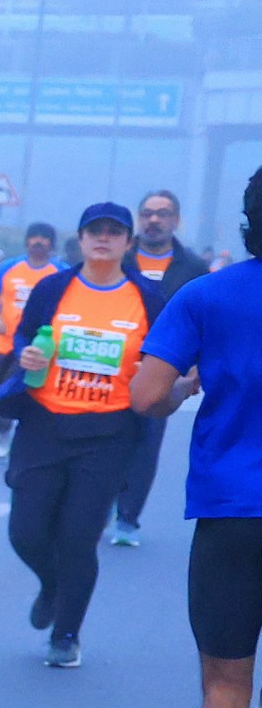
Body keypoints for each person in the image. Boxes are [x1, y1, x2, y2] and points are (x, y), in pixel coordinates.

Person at [132, 167, 262, 708]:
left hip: (232, 514)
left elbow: (147, 396)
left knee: (224, 684)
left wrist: (188, 384)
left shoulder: (206, 296)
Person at [0, 202, 165, 667]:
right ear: (81, 240)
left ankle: (66, 634)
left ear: (128, 243)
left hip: (109, 433)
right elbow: (25, 337)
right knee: (26, 532)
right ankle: (52, 585)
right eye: (94, 231)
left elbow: (163, 355)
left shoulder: (145, 297)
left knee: (78, 536)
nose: (103, 239)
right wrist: (26, 355)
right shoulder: (54, 288)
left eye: (114, 232)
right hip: (45, 423)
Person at [112, 188, 208, 544]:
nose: (154, 220)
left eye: (163, 214)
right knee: (102, 440)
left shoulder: (193, 268)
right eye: (148, 213)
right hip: (109, 367)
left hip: (163, 370)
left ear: (176, 221)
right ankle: (97, 503)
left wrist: (196, 366)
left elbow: (204, 319)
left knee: (146, 444)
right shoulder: (118, 261)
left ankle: (127, 518)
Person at [0, 222, 62, 458]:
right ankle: (2, 429)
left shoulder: (60, 271)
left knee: (36, 396)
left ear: (51, 243)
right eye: (34, 237)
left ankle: (30, 440)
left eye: (44, 238)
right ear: (27, 241)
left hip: (42, 348)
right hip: (6, 345)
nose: (38, 241)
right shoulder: (10, 267)